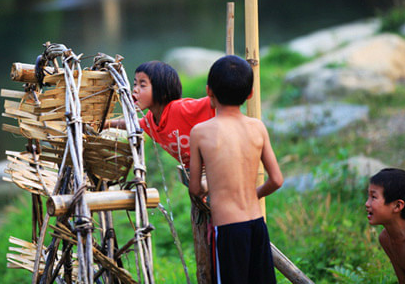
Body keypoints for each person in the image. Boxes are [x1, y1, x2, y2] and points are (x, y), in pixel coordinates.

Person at [107, 60, 215, 283]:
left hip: (217, 175)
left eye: (142, 84)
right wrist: (106, 124)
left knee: (220, 239)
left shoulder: (180, 109)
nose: (135, 89)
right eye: (135, 83)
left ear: (162, 90)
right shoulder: (151, 121)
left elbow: (212, 102)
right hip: (199, 183)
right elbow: (132, 124)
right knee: (208, 240)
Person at [189, 55, 283, 284]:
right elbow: (277, 180)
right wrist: (253, 194)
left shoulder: (200, 132)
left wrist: (207, 186)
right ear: (250, 93)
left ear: (208, 90)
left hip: (229, 230)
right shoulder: (257, 127)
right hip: (257, 225)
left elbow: (194, 188)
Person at [366, 168, 405, 283]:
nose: (367, 204)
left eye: (374, 197)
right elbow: (404, 281)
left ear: (397, 206)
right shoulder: (386, 238)